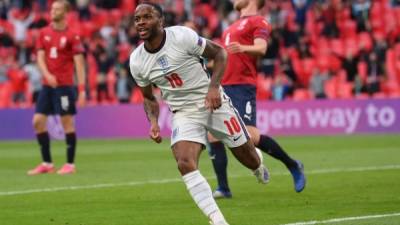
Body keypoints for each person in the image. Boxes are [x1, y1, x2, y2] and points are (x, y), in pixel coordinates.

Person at [129, 3, 269, 225]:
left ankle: (258, 164)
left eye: (147, 17)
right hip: (183, 112)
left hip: (213, 103)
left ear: (161, 21)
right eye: (137, 19)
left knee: (248, 158)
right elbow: (148, 97)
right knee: (184, 161)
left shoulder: (182, 36)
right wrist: (154, 122)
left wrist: (213, 88)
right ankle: (217, 219)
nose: (141, 22)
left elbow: (220, 53)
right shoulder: (136, 60)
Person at [209, 0, 306, 199]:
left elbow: (261, 48)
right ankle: (223, 188)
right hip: (223, 85)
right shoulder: (229, 28)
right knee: (213, 136)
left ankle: (292, 164)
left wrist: (242, 48)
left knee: (251, 136)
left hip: (242, 86)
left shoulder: (259, 21)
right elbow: (224, 56)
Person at [27, 0, 86, 175]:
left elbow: (79, 64)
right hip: (47, 86)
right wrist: (47, 75)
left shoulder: (72, 36)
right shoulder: (43, 33)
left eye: (58, 9)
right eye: (52, 9)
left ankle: (70, 164)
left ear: (66, 12)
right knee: (37, 122)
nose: (53, 11)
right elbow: (39, 57)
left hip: (65, 86)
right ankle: (47, 163)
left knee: (67, 123)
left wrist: (82, 90)